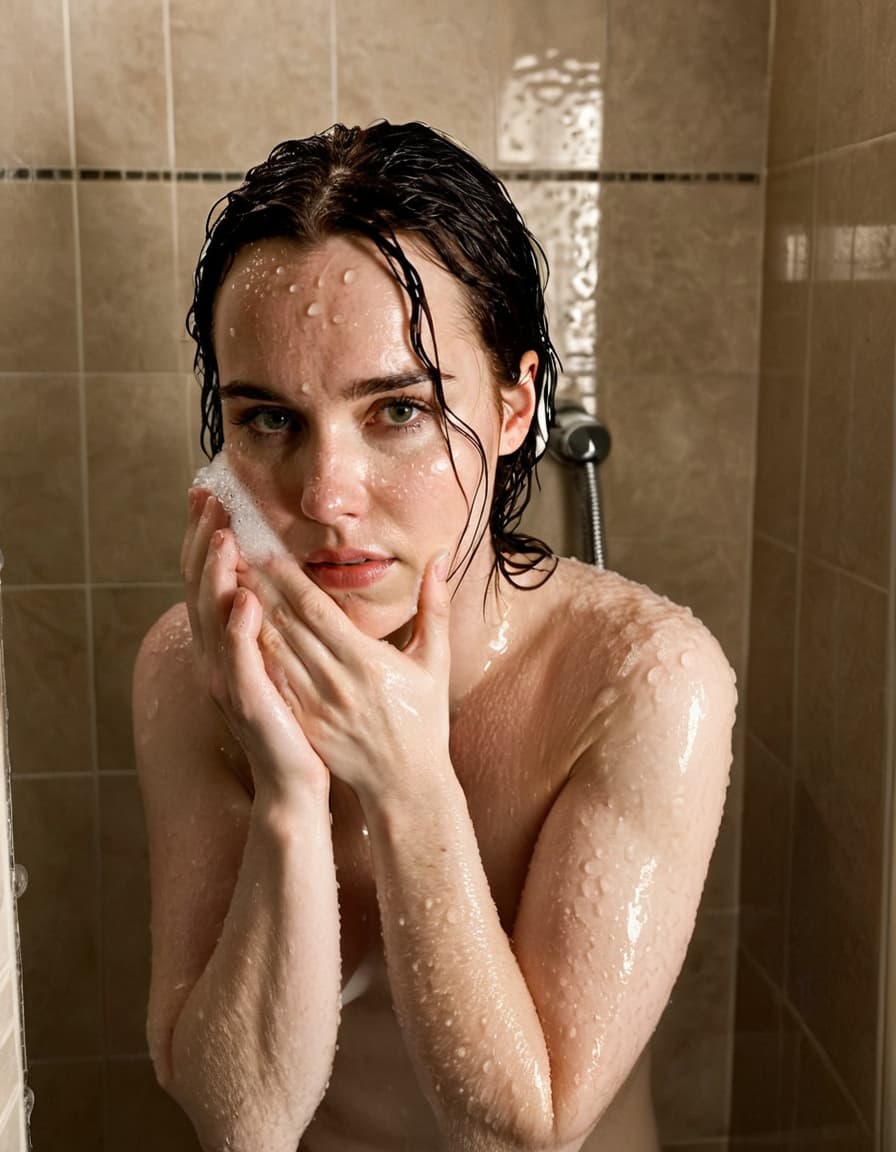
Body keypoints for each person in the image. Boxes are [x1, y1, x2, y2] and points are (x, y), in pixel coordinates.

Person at [133, 121, 737, 1152]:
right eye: (269, 420)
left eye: (399, 411)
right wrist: (288, 791)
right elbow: (241, 1122)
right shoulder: (195, 670)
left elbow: (516, 1132)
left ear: (515, 405)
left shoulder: (638, 681)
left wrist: (409, 782)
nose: (327, 497)